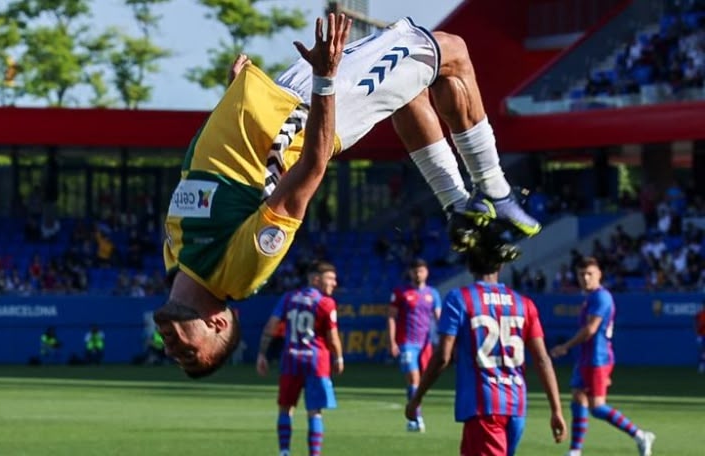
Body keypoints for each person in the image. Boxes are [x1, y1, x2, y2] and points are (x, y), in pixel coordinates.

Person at [155, 12, 540, 377]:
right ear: (217, 322)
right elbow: (310, 169)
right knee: (451, 50)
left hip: (281, 101)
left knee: (406, 89)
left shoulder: (176, 256)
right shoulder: (238, 274)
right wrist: (326, 79)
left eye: (179, 357)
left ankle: (457, 205)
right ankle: (496, 192)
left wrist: (235, 100)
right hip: (307, 110)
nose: (173, 350)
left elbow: (223, 174)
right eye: (187, 353)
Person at [406, 242, 565, 456]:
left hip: (485, 408)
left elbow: (443, 357)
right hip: (516, 406)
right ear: (500, 266)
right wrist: (556, 410)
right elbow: (543, 359)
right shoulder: (524, 304)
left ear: (470, 266)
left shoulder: (458, 299)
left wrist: (417, 398)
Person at [550, 257, 656, 456]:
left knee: (597, 407)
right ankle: (575, 451)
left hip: (598, 359)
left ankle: (640, 435)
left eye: (590, 273)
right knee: (578, 398)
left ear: (599, 274)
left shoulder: (601, 297)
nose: (586, 278)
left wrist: (565, 346)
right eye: (582, 274)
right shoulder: (590, 298)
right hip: (586, 357)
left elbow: (590, 329)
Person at [256, 261, 344, 456]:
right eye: (330, 278)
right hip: (316, 361)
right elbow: (332, 336)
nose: (334, 283)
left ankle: (285, 452)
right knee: (315, 411)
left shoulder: (289, 298)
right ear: (315, 279)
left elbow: (271, 326)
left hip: (291, 360)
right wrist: (338, 358)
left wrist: (262, 353)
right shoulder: (326, 303)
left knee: (286, 408)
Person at [387, 258, 441, 432]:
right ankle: (416, 419)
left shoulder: (433, 294)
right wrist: (392, 341)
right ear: (410, 273)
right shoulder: (401, 292)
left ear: (427, 273)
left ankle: (414, 414)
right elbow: (391, 317)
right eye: (415, 271)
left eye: (421, 271)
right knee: (413, 378)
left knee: (421, 382)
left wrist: (445, 340)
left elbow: (439, 318)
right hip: (407, 342)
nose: (418, 274)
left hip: (426, 345)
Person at [696, 305, 705, 374]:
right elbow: (695, 321)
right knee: (701, 351)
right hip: (701, 335)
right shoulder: (699, 314)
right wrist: (697, 330)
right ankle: (701, 366)